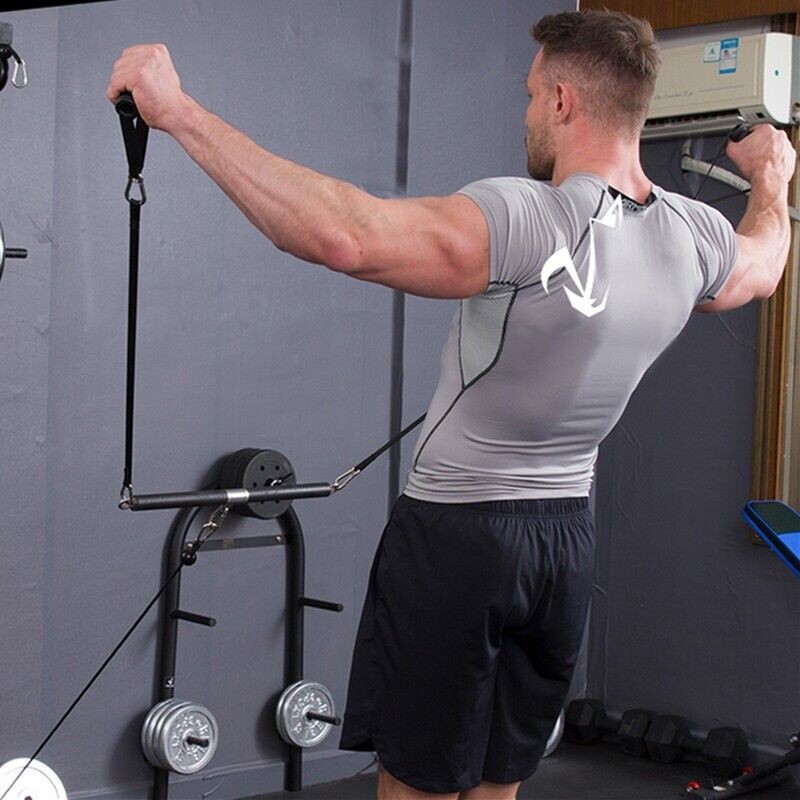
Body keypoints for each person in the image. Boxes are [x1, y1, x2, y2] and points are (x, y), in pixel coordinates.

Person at [108, 8, 795, 800]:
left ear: (564, 101)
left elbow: (344, 237)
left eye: (532, 94)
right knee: (499, 784)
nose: (527, 112)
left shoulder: (532, 217)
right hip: (565, 544)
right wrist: (773, 177)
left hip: (460, 539)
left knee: (417, 787)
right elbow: (765, 263)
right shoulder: (693, 235)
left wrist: (177, 111)